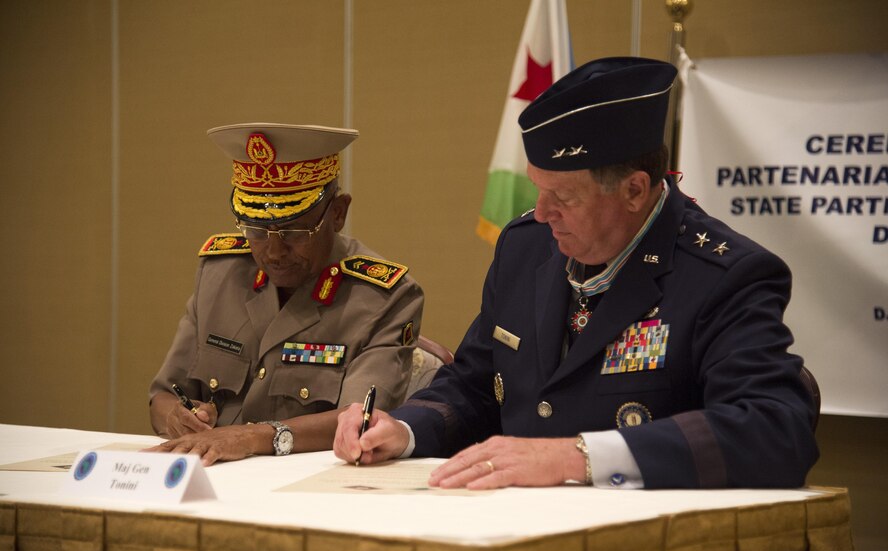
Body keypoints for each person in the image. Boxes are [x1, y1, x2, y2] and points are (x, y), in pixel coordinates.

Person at [333, 57, 819, 489]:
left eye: (563, 197)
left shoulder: (724, 274)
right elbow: (477, 384)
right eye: (537, 191)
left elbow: (774, 429)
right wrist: (405, 429)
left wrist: (577, 456)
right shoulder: (526, 249)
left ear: (633, 191)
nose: (541, 214)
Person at [147, 123, 424, 465]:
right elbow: (162, 395)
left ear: (337, 213)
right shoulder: (220, 275)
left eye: (294, 230)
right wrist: (176, 416)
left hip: (311, 485)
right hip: (211, 474)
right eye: (257, 230)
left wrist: (251, 437)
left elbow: (359, 422)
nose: (274, 251)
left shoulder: (384, 297)